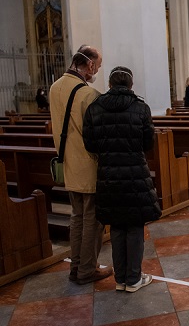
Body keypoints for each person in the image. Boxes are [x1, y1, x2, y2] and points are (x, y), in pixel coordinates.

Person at [83, 66, 160, 293]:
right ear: (131, 85)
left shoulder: (94, 108)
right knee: (135, 225)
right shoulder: (140, 108)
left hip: (108, 174)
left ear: (109, 84)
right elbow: (148, 142)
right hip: (135, 172)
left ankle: (121, 278)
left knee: (116, 226)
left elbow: (90, 143)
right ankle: (134, 279)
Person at [49, 45, 112, 285]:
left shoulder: (55, 88)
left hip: (67, 164)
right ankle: (87, 269)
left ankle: (76, 267)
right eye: (98, 65)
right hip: (88, 166)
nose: (97, 70)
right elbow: (97, 135)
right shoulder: (89, 94)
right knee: (93, 221)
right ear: (89, 65)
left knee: (76, 218)